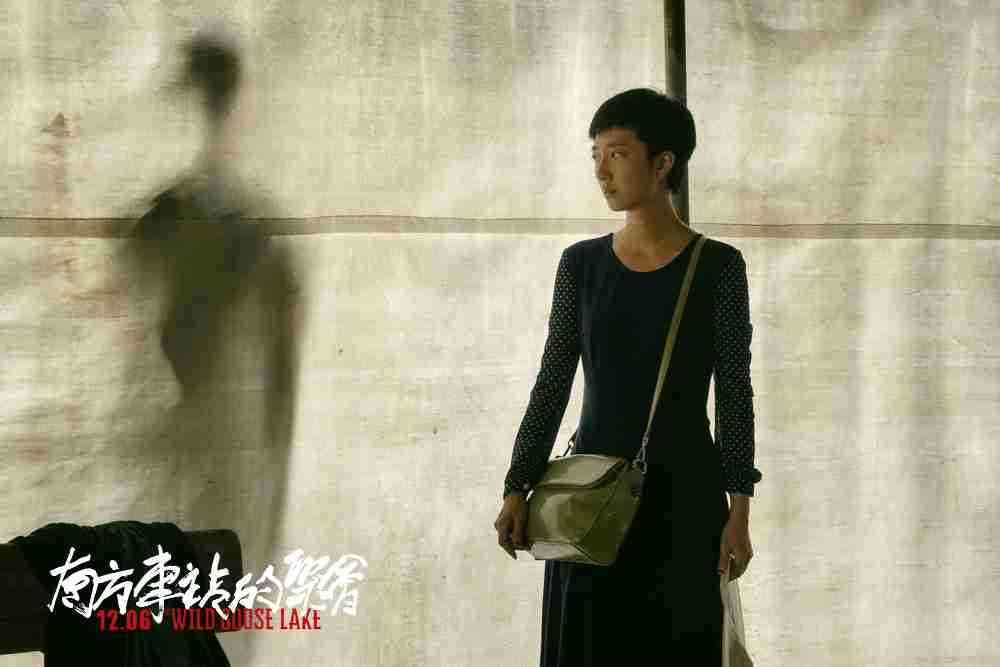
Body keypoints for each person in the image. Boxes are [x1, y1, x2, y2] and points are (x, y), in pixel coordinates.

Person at [493, 88, 762, 665]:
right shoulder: (580, 265)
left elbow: (734, 394)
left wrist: (740, 511)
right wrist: (517, 485)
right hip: (589, 502)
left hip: (685, 505)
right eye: (595, 155)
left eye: (616, 154)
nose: (601, 171)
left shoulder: (719, 267)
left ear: (663, 164)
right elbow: (552, 382)